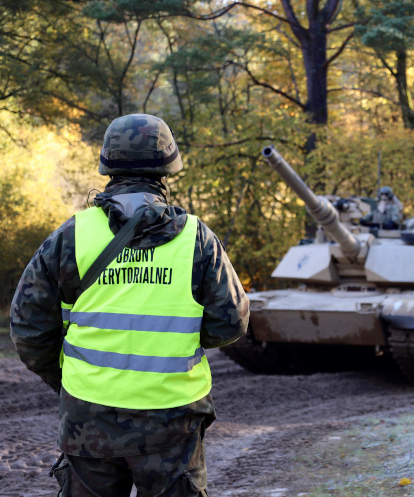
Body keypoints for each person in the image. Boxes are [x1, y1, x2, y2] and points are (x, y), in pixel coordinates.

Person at [9, 114, 250, 496]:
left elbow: (27, 326)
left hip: (88, 418)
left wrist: (69, 380)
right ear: (168, 168)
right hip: (174, 420)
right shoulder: (196, 239)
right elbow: (231, 322)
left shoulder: (72, 236)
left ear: (108, 164)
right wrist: (179, 334)